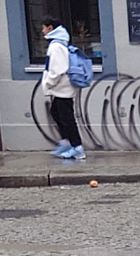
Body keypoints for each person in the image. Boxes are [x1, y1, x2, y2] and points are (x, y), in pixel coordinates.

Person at [40, 19, 84, 160]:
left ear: (50, 28)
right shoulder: (58, 44)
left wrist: (48, 83)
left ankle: (77, 148)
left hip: (62, 88)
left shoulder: (56, 46)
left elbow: (58, 69)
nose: (42, 31)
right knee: (57, 113)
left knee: (67, 118)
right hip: (61, 88)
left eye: (43, 28)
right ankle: (67, 142)